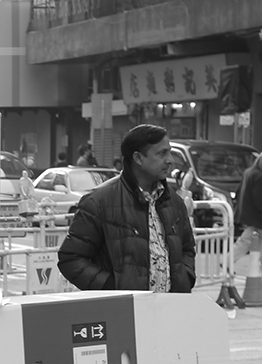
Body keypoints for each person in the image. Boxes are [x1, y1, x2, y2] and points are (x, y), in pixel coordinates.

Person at [57, 123, 196, 293]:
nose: (170, 160)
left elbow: (187, 250)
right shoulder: (99, 202)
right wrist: (110, 287)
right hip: (123, 313)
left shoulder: (174, 203)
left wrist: (185, 278)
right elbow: (71, 258)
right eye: (162, 153)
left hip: (169, 310)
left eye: (169, 152)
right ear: (138, 158)